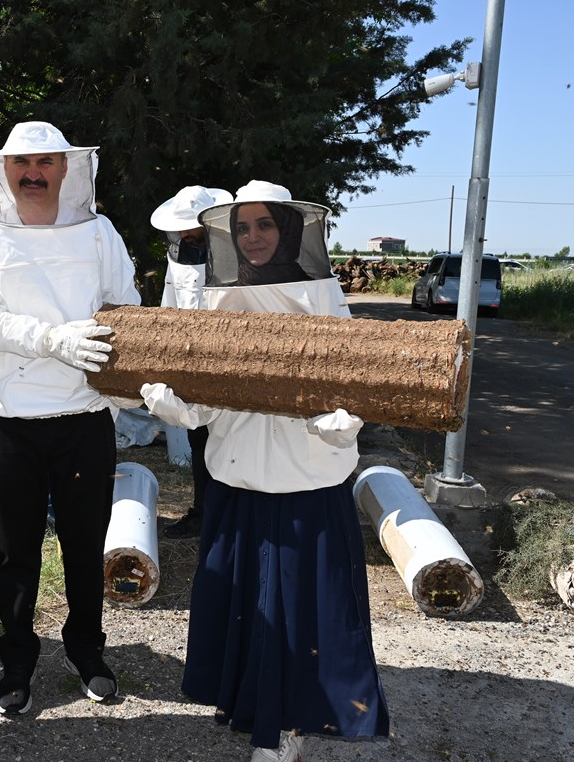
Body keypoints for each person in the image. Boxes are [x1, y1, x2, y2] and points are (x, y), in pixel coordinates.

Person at [141, 181, 390, 762]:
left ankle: (294, 727)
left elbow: (358, 377)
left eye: (266, 225)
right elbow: (210, 389)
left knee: (305, 612)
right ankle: (256, 712)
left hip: (309, 480)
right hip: (240, 477)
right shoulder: (217, 297)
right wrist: (183, 410)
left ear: (290, 230)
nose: (253, 238)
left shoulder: (324, 293)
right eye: (244, 227)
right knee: (248, 608)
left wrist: (347, 420)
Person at [0, 121, 142, 715]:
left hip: (83, 418)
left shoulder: (99, 232)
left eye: (45, 163)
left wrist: (128, 374)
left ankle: (87, 652)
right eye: (21, 164)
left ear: (67, 168)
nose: (32, 174)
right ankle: (17, 663)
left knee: (86, 546)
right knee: (16, 551)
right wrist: (50, 339)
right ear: (3, 172)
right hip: (8, 421)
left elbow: (127, 310)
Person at [150, 185, 232, 539]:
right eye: (180, 228)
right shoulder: (178, 258)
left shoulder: (237, 251)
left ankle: (233, 518)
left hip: (233, 364)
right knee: (200, 442)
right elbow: (171, 308)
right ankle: (202, 515)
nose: (184, 235)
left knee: (233, 445)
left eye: (191, 227)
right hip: (193, 366)